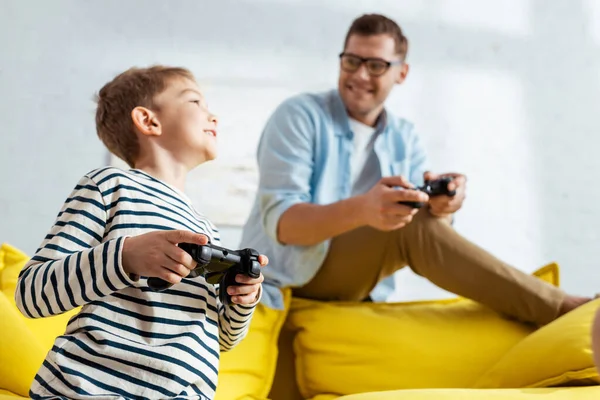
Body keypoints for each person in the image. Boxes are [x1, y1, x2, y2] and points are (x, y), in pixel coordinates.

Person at [239, 13, 592, 326]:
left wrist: (443, 210)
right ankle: (564, 309)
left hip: (357, 284)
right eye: (351, 61)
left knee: (417, 218)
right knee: (405, 226)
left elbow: (428, 230)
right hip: (286, 276)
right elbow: (284, 225)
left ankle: (556, 309)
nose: (360, 74)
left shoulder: (404, 136)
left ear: (401, 73)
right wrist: (364, 209)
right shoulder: (298, 116)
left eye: (376, 65)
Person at [15, 66, 267, 400]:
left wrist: (241, 300)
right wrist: (125, 256)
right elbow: (31, 294)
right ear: (149, 121)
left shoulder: (207, 230)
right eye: (196, 102)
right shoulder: (109, 186)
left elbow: (223, 339)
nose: (213, 116)